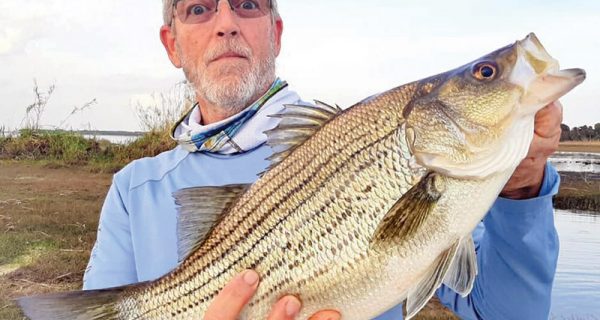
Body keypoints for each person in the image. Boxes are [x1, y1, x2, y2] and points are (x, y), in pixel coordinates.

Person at [83, 0, 563, 319]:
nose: (226, 22)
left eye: (248, 4)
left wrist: (522, 189)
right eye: (198, 8)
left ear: (275, 31)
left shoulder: (409, 154)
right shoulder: (134, 190)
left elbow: (505, 311)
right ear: (172, 44)